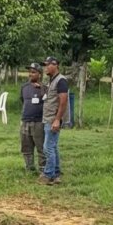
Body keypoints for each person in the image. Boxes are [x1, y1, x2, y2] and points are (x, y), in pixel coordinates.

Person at [40, 57, 68, 185]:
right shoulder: (51, 80)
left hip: (53, 119)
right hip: (48, 117)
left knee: (48, 148)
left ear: (55, 65)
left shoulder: (61, 80)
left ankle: (48, 175)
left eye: (47, 65)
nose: (45, 68)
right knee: (53, 146)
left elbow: (63, 101)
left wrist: (57, 120)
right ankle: (56, 174)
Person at [20, 63, 47, 174]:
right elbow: (22, 101)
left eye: (33, 72)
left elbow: (49, 101)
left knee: (41, 147)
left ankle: (43, 170)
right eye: (29, 72)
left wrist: (41, 89)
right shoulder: (24, 87)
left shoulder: (45, 88)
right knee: (26, 147)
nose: (30, 74)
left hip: (39, 122)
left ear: (39, 74)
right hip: (25, 121)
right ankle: (29, 168)